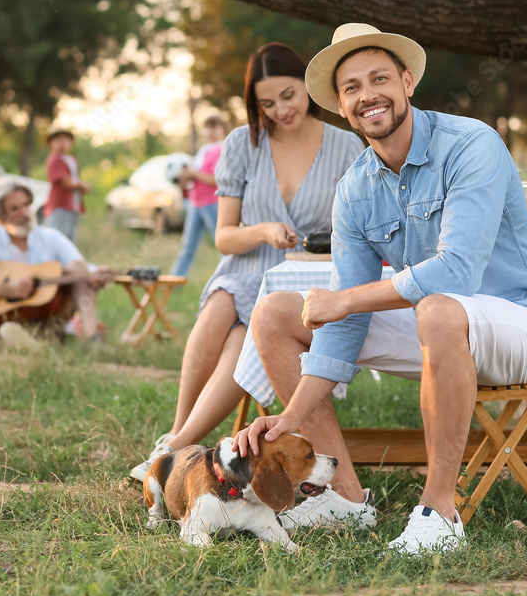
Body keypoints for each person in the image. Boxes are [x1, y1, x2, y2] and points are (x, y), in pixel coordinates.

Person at [232, 23, 527, 556]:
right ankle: (346, 498)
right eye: (351, 87)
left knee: (437, 308)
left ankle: (439, 516)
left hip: (524, 325)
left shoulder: (471, 144)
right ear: (342, 106)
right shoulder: (355, 189)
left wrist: (345, 299)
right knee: (277, 312)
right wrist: (291, 418)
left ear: (407, 81)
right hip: (438, 338)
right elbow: (340, 327)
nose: (367, 94)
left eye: (379, 78)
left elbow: (455, 274)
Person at [129, 43, 365, 481]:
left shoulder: (347, 147)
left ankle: (174, 450)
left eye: (289, 96)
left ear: (309, 87)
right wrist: (263, 230)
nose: (281, 110)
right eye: (267, 103)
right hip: (245, 264)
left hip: (301, 272)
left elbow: (358, 232)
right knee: (222, 305)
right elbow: (224, 237)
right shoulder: (242, 143)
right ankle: (177, 435)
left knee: (246, 334)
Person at [0, 180, 108, 346]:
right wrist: (7, 289)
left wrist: (95, 272)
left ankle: (89, 339)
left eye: (27, 205)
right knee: (5, 331)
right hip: (0, 319)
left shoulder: (50, 238)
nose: (24, 213)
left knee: (80, 272)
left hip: (47, 317)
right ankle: (22, 339)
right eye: (14, 208)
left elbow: (81, 266)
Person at [170, 115, 228, 277]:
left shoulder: (221, 149)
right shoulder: (203, 150)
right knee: (187, 246)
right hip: (196, 204)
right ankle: (175, 281)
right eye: (207, 128)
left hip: (213, 203)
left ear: (222, 129)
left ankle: (226, 278)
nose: (210, 132)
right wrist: (185, 178)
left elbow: (215, 179)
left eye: (214, 127)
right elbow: (197, 177)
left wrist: (193, 173)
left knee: (222, 245)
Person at [44, 128, 89, 245]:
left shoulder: (72, 160)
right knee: (59, 239)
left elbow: (74, 179)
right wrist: (81, 185)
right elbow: (65, 182)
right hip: (60, 205)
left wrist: (81, 185)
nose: (62, 143)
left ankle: (70, 262)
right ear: (51, 144)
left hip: (74, 206)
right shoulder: (55, 160)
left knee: (71, 240)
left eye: (65, 140)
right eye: (57, 140)